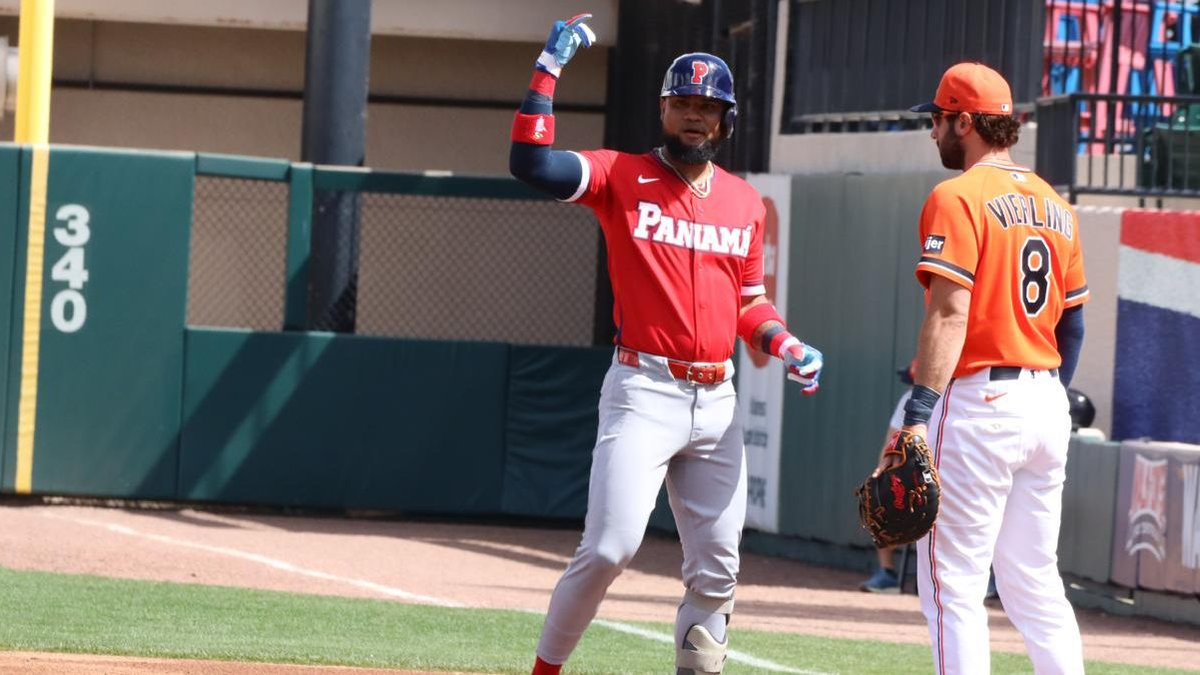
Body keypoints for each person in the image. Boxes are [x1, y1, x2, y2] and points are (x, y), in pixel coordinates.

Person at [508, 15, 824, 675]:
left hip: (717, 401)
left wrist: (786, 342)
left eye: (707, 106)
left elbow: (749, 303)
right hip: (644, 386)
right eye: (683, 102)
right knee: (610, 547)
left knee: (718, 568)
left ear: (726, 119)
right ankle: (544, 670)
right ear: (662, 109)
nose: (694, 116)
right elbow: (531, 162)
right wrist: (549, 67)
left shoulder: (744, 203)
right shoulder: (620, 176)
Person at [878, 62, 1088, 673]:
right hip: (1047, 402)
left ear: (966, 122)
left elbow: (949, 312)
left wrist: (917, 415)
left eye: (939, 119)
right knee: (1034, 583)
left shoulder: (958, 195)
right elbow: (1072, 324)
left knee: (952, 586)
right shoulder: (1054, 202)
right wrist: (1044, 393)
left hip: (979, 406)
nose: (934, 131)